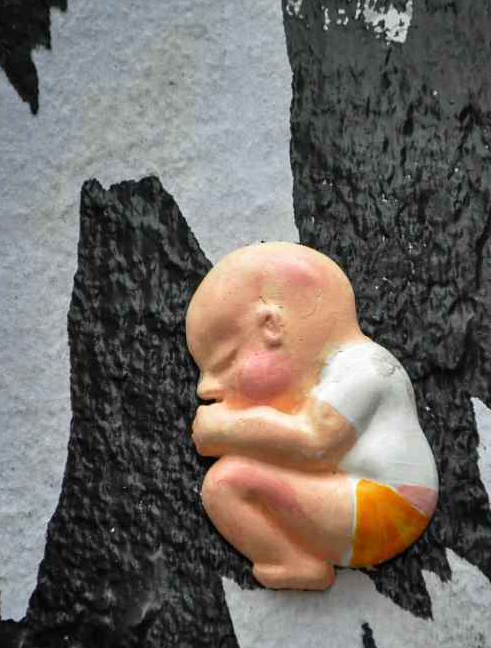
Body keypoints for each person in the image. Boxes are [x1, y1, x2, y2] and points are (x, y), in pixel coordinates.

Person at [186, 242, 438, 589]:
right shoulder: (335, 373)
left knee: (226, 484)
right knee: (226, 482)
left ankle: (291, 562)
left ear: (272, 326)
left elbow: (314, 443)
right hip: (366, 501)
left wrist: (227, 429)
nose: (207, 390)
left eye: (226, 362)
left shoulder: (367, 369)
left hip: (389, 506)